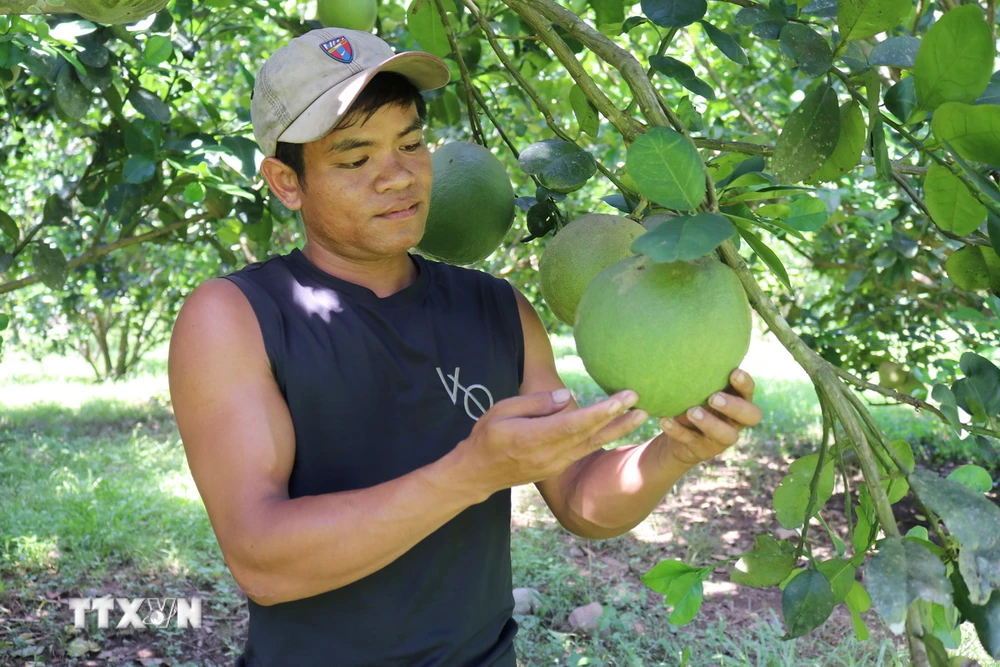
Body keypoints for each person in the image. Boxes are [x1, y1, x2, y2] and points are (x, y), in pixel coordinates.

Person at [167, 27, 763, 667]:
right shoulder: (236, 317)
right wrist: (472, 473)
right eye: (354, 158)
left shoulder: (497, 310)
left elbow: (581, 503)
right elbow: (263, 562)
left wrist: (673, 451)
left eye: (412, 144)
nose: (396, 176)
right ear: (287, 182)